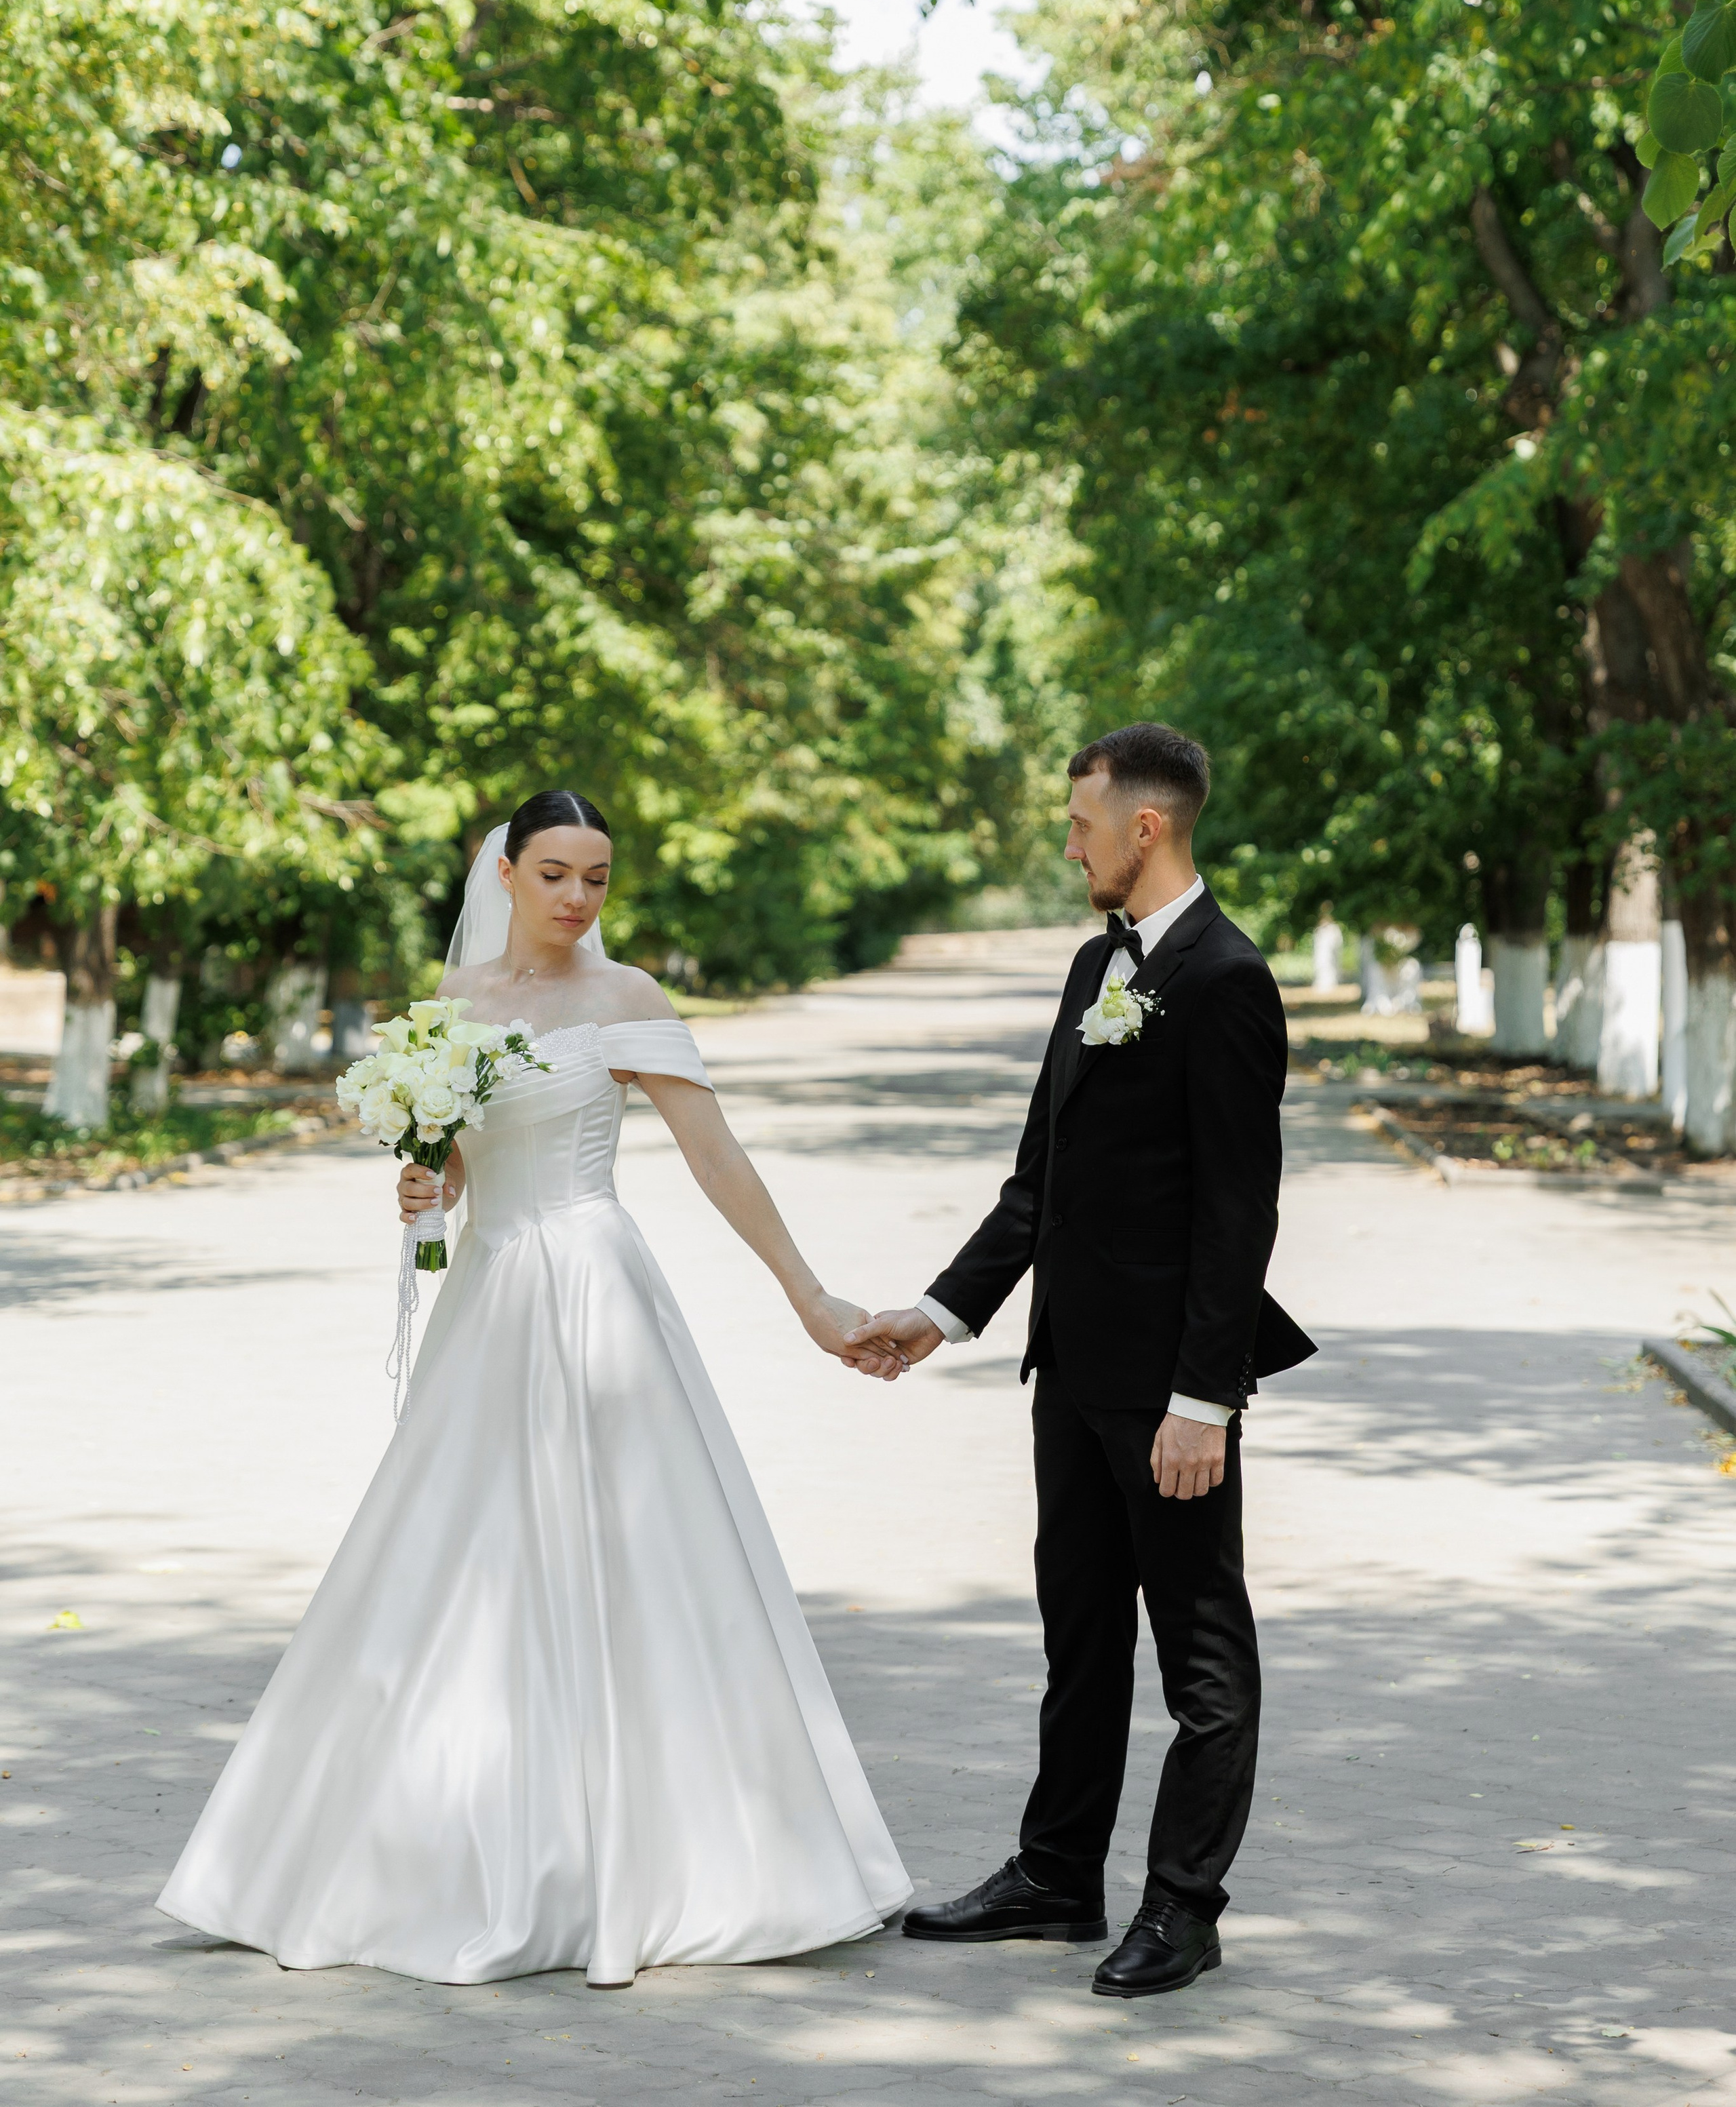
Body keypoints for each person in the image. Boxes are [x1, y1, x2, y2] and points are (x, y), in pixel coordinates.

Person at [159, 788, 911, 1987]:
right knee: (463, 1558)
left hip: (596, 1295)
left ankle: (666, 1856)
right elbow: (455, 1162)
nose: (577, 898)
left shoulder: (628, 1000)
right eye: (555, 873)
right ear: (503, 873)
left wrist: (808, 1296)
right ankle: (428, 1845)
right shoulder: (451, 1006)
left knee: (627, 1553)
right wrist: (423, 1189)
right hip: (491, 1297)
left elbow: (716, 1156)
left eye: (598, 878)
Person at [844, 724, 1314, 1997]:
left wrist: (1204, 1400)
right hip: (1069, 1377)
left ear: (1145, 828)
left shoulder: (1226, 979)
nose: (1069, 842)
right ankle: (1056, 1877)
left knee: (1202, 1661)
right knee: (1081, 1640)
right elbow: (1037, 1189)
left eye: (1081, 823)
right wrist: (937, 1315)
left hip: (1170, 1397)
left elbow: (1238, 1214)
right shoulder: (1091, 968)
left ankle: (1185, 1906)